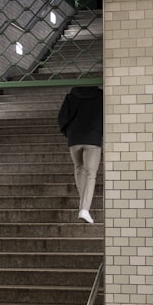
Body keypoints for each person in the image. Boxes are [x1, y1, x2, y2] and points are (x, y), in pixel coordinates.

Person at [57, 85, 102, 223]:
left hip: (75, 139)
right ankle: (85, 209)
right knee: (91, 174)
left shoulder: (71, 97)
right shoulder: (101, 96)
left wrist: (69, 132)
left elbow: (62, 118)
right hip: (93, 138)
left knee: (78, 168)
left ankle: (83, 204)